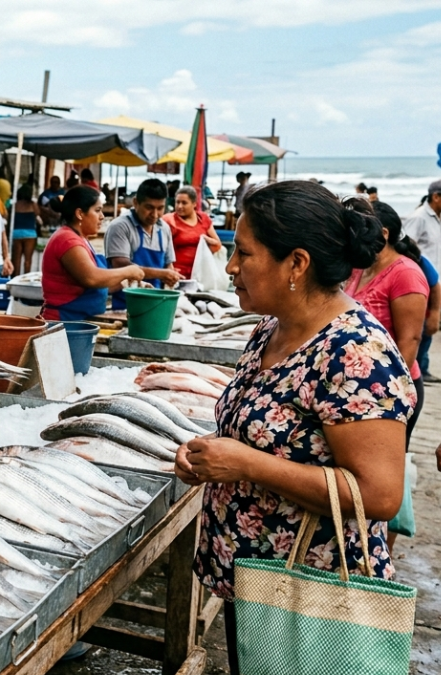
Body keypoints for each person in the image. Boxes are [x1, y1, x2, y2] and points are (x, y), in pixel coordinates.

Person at [175, 181, 414, 675]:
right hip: (254, 579)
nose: (230, 266)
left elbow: (381, 494)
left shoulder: (354, 352)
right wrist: (211, 456)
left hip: (312, 596)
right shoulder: (272, 325)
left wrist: (247, 464)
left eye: (244, 252)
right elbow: (263, 430)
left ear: (297, 264)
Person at [345, 200, 430, 551]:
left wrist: (390, 396)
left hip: (394, 390)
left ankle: (381, 551)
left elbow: (409, 340)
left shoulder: (406, 273)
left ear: (382, 233)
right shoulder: (357, 268)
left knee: (382, 477)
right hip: (360, 389)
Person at [41, 186, 144, 321]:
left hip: (80, 322)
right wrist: (129, 271)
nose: (102, 217)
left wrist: (128, 284)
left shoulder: (82, 239)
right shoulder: (67, 240)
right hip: (63, 323)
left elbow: (100, 286)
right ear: (80, 214)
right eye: (97, 210)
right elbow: (91, 278)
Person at [104, 178, 180, 309]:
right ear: (136, 203)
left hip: (156, 303)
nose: (155, 214)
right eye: (149, 207)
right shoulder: (120, 226)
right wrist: (162, 274)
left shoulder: (164, 228)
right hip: (126, 304)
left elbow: (168, 264)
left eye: (160, 208)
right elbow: (121, 266)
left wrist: (171, 276)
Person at [402, 179, 441, 381]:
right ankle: (416, 369)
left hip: (435, 280)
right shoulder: (419, 218)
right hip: (420, 282)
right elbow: (407, 248)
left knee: (429, 328)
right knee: (419, 328)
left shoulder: (437, 219)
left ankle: (422, 368)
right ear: (436, 197)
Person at [162, 186, 222, 278]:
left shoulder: (203, 219)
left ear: (194, 204)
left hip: (200, 274)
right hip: (177, 274)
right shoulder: (169, 220)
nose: (179, 206)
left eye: (184, 203)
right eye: (177, 202)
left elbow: (217, 245)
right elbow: (162, 250)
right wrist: (168, 269)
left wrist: (204, 239)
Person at [9, 185, 42, 276]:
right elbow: (38, 214)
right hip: (30, 234)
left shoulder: (14, 205)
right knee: (27, 260)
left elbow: (9, 219)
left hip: (16, 233)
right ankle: (26, 278)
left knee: (17, 260)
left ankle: (15, 279)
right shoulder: (32, 204)